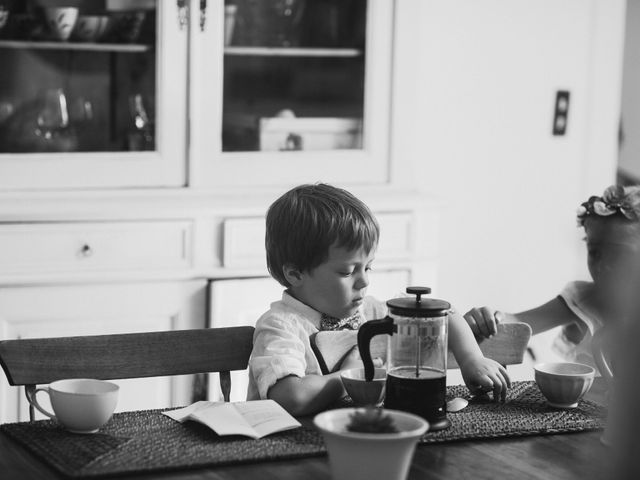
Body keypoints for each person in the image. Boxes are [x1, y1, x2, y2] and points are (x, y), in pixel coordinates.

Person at [247, 183, 511, 415]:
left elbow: (440, 312)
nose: (364, 281)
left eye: (368, 267)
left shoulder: (370, 312)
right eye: (347, 272)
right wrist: (356, 374)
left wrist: (471, 359)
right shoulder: (280, 326)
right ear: (295, 274)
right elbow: (293, 397)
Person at [465, 185, 640, 369]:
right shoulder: (584, 299)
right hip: (584, 399)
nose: (603, 265)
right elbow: (518, 322)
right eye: (594, 252)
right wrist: (488, 320)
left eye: (619, 254)